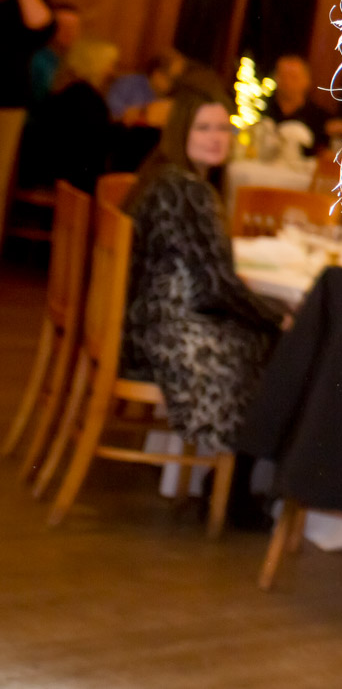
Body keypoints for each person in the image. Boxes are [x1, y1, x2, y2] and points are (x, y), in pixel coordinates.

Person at [122, 89, 284, 470]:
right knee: (279, 341)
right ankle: (239, 484)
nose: (216, 137)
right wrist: (277, 318)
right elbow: (216, 287)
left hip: (139, 326)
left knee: (269, 329)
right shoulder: (187, 190)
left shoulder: (163, 176)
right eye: (203, 128)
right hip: (161, 339)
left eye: (223, 129)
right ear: (182, 132)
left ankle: (240, 476)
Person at [17, 37, 118, 194]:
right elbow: (95, 147)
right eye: (111, 64)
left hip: (44, 175)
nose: (113, 72)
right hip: (66, 184)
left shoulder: (67, 92)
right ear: (95, 64)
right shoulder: (87, 99)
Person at [266, 54, 336, 151]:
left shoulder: (319, 118)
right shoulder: (263, 108)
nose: (286, 81)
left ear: (306, 81)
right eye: (282, 75)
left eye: (293, 77)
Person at [28, 2, 81, 107]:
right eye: (63, 26)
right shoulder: (35, 60)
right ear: (49, 28)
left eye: (74, 27)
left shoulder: (69, 61)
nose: (69, 32)